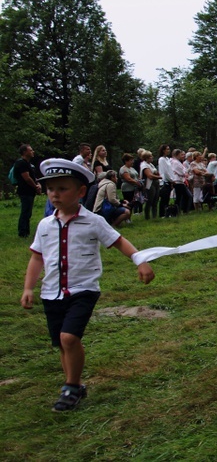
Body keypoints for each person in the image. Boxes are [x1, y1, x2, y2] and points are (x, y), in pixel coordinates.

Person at [20, 158, 154, 412]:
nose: (55, 195)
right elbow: (37, 257)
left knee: (69, 337)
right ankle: (74, 385)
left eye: (62, 189)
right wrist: (28, 288)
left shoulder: (93, 221)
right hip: (51, 293)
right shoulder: (45, 225)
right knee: (62, 342)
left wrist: (140, 260)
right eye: (51, 189)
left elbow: (119, 241)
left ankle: (70, 386)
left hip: (83, 290)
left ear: (81, 192)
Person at [14, 143, 43, 238]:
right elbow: (27, 178)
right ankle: (22, 232)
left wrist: (38, 185)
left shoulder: (28, 164)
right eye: (30, 150)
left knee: (28, 212)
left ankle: (26, 231)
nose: (32, 151)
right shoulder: (21, 163)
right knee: (25, 211)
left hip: (30, 191)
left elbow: (33, 177)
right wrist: (35, 186)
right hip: (25, 191)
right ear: (24, 152)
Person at [139, 150, 161, 220]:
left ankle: (154, 217)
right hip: (149, 184)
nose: (152, 157)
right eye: (150, 156)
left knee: (155, 200)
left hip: (156, 183)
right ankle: (147, 217)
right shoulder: (144, 165)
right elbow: (150, 176)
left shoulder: (151, 164)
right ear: (147, 158)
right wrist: (160, 177)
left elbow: (156, 172)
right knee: (149, 201)